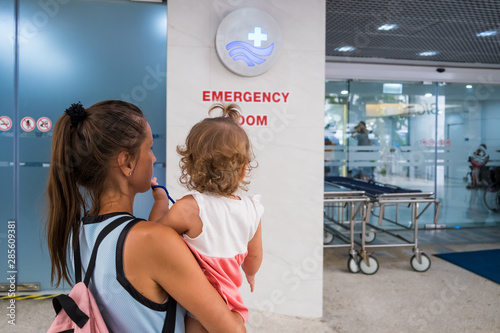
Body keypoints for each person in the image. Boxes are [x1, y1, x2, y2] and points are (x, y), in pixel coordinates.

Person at [46, 100, 246, 333]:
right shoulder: (153, 240)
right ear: (127, 162)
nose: (153, 158)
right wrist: (239, 315)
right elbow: (231, 330)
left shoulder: (79, 235)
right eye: (149, 148)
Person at [151, 103, 263, 333]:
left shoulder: (191, 208)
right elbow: (254, 256)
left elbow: (151, 236)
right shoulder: (252, 208)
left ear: (190, 166)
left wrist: (161, 201)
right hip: (231, 302)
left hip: (198, 306)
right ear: (243, 170)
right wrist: (250, 273)